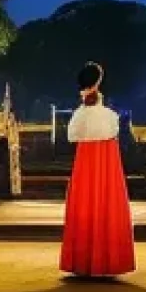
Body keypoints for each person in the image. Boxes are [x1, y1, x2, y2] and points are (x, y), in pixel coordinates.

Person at [59, 62, 136, 277]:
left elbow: (72, 135)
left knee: (85, 201)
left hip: (85, 163)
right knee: (105, 201)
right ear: (98, 82)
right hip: (105, 162)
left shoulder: (80, 115)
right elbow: (112, 131)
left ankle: (83, 260)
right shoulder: (109, 116)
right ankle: (107, 260)